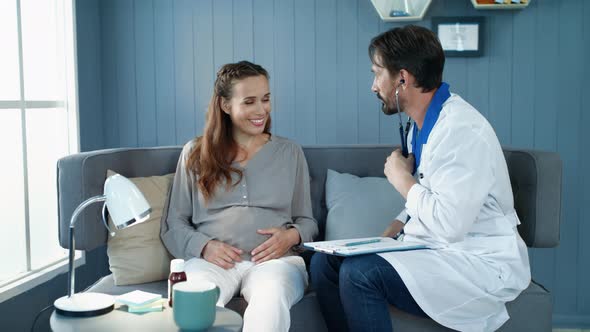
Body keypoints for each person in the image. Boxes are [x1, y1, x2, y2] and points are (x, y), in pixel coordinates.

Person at [310, 25, 531, 332]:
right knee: (324, 265)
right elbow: (434, 190)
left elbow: (450, 225)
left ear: (403, 78)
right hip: (436, 248)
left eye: (377, 74)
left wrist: (401, 179)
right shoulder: (423, 123)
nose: (374, 86)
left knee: (360, 274)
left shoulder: (461, 131)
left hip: (478, 261)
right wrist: (399, 222)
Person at [161, 61, 318, 332]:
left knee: (270, 298)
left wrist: (290, 236)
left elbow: (307, 221)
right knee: (194, 302)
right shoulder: (195, 153)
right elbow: (174, 224)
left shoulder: (290, 153)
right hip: (211, 263)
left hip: (275, 263)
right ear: (225, 105)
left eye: (266, 99)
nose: (261, 110)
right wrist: (204, 246)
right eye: (249, 102)